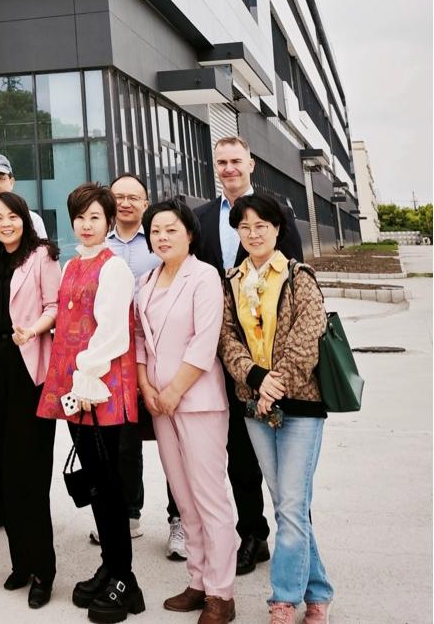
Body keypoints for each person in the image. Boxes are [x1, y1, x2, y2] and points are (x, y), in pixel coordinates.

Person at [219, 194, 333, 624]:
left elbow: (308, 336)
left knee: (291, 504)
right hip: (255, 406)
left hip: (300, 405)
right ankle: (318, 591)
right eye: (244, 227)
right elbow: (226, 339)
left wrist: (275, 383)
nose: (253, 233)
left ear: (278, 229)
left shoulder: (299, 277)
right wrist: (256, 380)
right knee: (288, 504)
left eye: (261, 225)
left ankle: (283, 599)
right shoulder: (232, 281)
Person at [194, 136, 303, 576]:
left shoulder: (277, 212)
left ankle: (295, 539)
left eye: (236, 160)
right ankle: (252, 534)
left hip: (271, 356)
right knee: (238, 452)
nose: (229, 168)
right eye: (221, 161)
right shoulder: (202, 217)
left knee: (279, 456)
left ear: (251, 164)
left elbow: (295, 281)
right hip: (222, 349)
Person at [38, 183, 144, 622]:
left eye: (95, 217)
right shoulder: (71, 264)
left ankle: (125, 581)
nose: (86, 224)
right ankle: (110, 566)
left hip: (100, 387)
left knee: (111, 484)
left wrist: (85, 373)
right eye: (80, 217)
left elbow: (114, 332)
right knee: (97, 482)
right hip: (75, 388)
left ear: (109, 221)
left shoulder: (114, 267)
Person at [135, 200, 235, 624]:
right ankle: (197, 581)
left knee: (210, 499)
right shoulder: (146, 281)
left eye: (171, 229)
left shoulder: (204, 276)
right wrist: (147, 388)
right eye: (155, 231)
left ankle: (221, 593)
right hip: (160, 405)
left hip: (197, 403)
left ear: (190, 234)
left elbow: (204, 341)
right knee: (184, 498)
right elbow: (139, 340)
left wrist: (174, 391)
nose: (162, 237)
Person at [0, 191, 60, 609]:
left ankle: (43, 569)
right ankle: (20, 562)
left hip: (30, 371)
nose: (5, 224)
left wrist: (34, 329)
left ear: (24, 219)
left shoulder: (42, 255)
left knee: (30, 474)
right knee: (2, 470)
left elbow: (55, 305)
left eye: (12, 216)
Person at [106, 173, 186, 561]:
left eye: (133, 197)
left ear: (145, 202)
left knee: (174, 441)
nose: (125, 203)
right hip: (116, 358)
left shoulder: (159, 241)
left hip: (161, 354)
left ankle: (179, 519)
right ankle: (129, 514)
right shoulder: (100, 244)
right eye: (118, 196)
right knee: (124, 442)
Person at [0, 151, 48, 538]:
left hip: (25, 348)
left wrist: (31, 330)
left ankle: (23, 504)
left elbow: (45, 294)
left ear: (12, 182)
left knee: (24, 436)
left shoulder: (32, 225)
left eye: (0, 178)